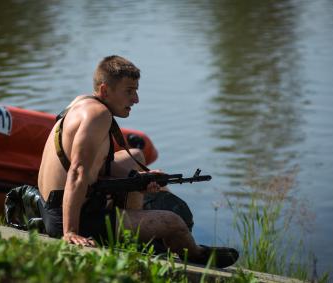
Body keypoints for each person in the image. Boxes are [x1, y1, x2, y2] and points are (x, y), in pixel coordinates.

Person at [37, 55, 238, 267]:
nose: (136, 99)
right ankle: (197, 255)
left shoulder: (82, 103)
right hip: (67, 219)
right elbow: (77, 172)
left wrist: (138, 179)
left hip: (48, 204)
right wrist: (70, 232)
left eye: (136, 91)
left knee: (135, 159)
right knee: (174, 223)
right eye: (129, 91)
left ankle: (135, 225)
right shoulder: (99, 116)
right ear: (105, 91)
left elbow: (92, 167)